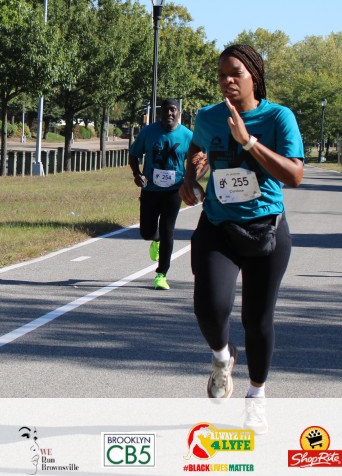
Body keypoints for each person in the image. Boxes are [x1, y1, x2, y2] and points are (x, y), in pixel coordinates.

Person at [179, 44, 304, 435]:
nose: (227, 81)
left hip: (267, 230)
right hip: (218, 226)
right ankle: (222, 357)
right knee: (209, 307)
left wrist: (248, 141)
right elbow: (196, 152)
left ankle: (256, 397)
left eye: (235, 73)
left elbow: (294, 175)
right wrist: (190, 178)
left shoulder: (279, 117)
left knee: (257, 320)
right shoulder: (207, 117)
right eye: (221, 75)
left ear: (255, 76)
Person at [129, 99, 195, 290]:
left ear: (179, 113)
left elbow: (199, 159)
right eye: (165, 110)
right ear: (160, 113)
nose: (169, 114)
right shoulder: (148, 132)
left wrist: (191, 179)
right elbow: (134, 154)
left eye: (173, 110)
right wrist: (137, 174)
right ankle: (155, 239)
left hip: (174, 190)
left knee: (168, 230)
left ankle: (161, 274)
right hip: (150, 189)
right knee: (146, 232)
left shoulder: (188, 136)